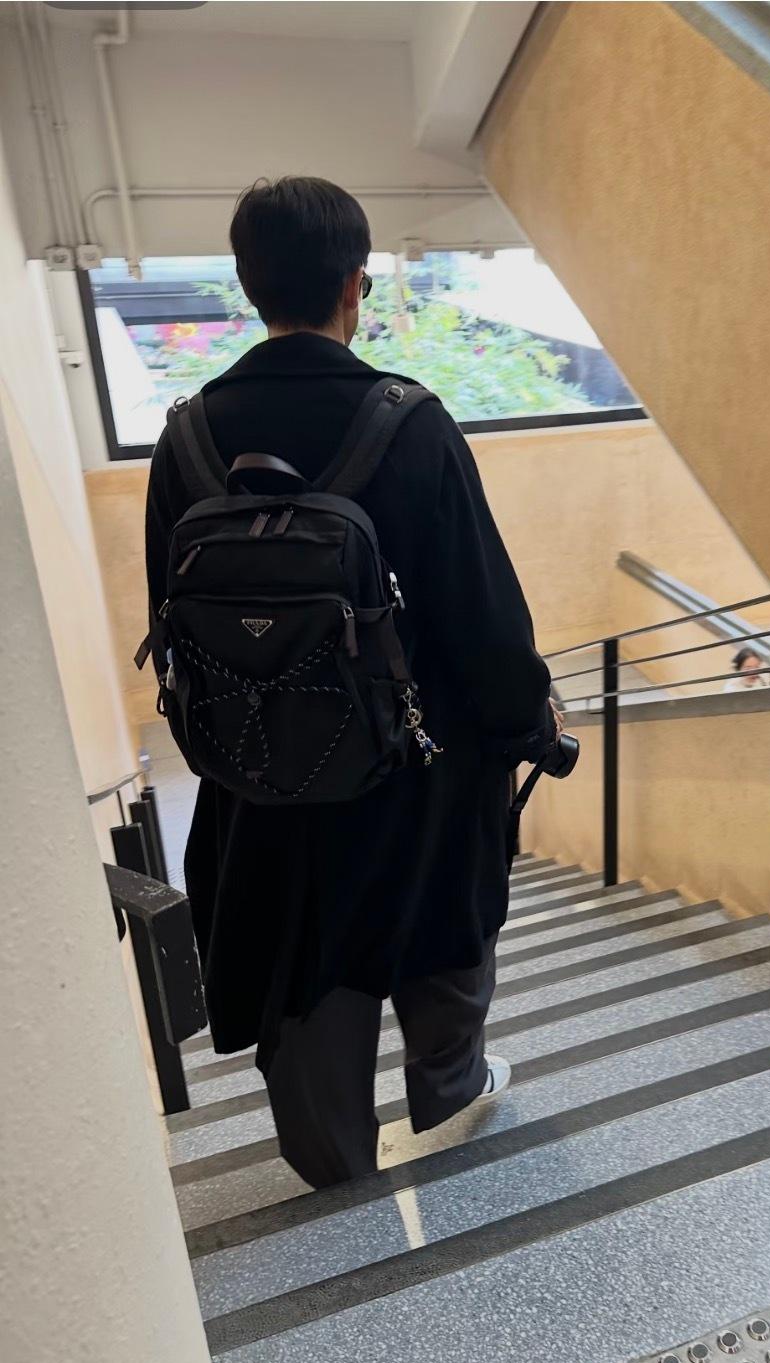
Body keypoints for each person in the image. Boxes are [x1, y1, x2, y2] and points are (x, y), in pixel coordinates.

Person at [144, 177, 558, 1189]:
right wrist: (528, 722)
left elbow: (169, 614)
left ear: (249, 286)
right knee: (444, 919)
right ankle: (450, 1093)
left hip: (262, 775)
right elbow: (483, 615)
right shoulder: (411, 423)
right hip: (418, 769)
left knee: (302, 957)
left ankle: (331, 1157)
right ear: (354, 285)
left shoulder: (185, 438)